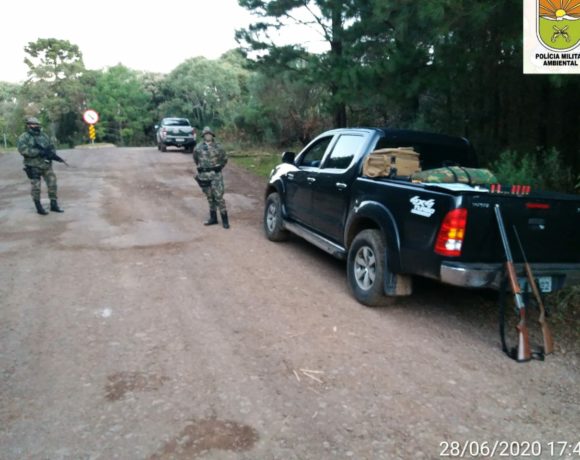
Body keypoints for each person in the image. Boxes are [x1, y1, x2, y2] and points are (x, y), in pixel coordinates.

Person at [17, 117, 64, 215]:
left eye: (37, 124)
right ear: (28, 125)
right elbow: (23, 150)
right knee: (36, 187)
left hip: (46, 165)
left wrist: (51, 154)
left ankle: (54, 204)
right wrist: (38, 152)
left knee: (52, 184)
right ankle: (38, 207)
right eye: (34, 124)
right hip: (33, 166)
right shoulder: (24, 137)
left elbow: (51, 146)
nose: (36, 126)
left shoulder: (44, 135)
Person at [193, 126, 229, 229]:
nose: (208, 136)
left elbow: (224, 159)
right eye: (206, 134)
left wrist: (218, 167)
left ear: (212, 135)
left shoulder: (218, 147)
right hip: (204, 176)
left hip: (216, 175)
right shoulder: (198, 147)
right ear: (203, 136)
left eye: (209, 134)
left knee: (219, 197)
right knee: (210, 197)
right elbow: (196, 159)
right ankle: (213, 218)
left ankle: (225, 220)